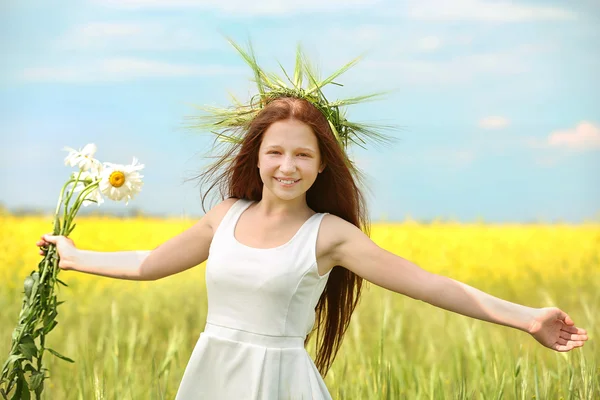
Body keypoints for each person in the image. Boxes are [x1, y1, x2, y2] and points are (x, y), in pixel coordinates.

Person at [36, 43, 588, 399]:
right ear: (256, 156)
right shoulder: (225, 216)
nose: (287, 166)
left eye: (303, 155)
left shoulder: (328, 235)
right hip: (209, 379)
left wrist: (527, 318)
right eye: (276, 152)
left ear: (322, 165)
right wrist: (74, 256)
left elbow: (431, 285)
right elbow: (150, 263)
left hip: (280, 385)